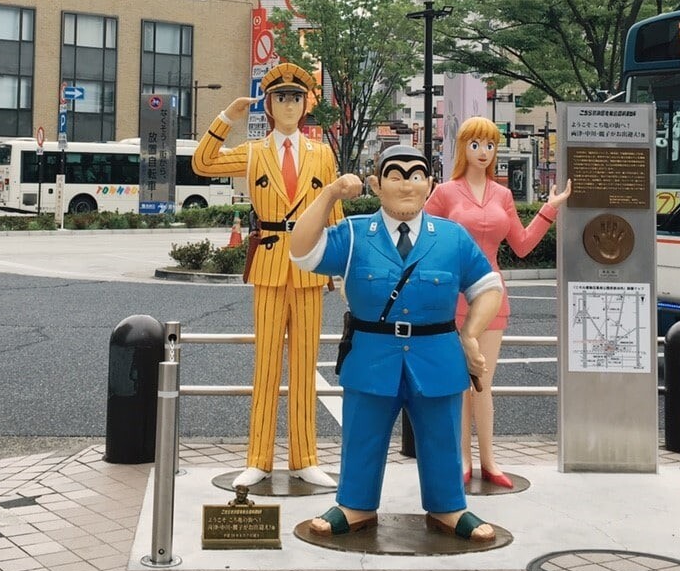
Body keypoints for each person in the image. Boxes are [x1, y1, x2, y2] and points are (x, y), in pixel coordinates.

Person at [292, 145, 504, 542]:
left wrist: (471, 334)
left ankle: (449, 507)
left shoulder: (451, 237)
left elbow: (487, 286)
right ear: (375, 184)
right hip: (372, 354)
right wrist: (329, 194)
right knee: (363, 433)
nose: (406, 183)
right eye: (395, 174)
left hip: (436, 354)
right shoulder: (355, 234)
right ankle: (354, 504)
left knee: (441, 433)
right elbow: (302, 252)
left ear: (430, 185)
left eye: (416, 174)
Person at [192, 62, 343, 490]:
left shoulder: (322, 154)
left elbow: (334, 213)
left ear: (306, 103)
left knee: (304, 366)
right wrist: (227, 118)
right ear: (270, 105)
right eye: (280, 97)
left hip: (311, 266)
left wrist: (343, 268)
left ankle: (305, 457)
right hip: (271, 263)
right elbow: (203, 163)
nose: (289, 104)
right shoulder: (256, 150)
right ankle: (257, 457)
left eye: (296, 97)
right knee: (266, 365)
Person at [425, 116, 571, 488]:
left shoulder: (503, 195)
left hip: (493, 295)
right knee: (460, 382)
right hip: (453, 297)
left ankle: (489, 460)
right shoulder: (444, 192)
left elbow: (521, 245)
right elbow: (424, 242)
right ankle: (461, 459)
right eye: (475, 145)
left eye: (490, 145)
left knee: (483, 383)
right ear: (463, 148)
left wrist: (549, 208)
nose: (483, 152)